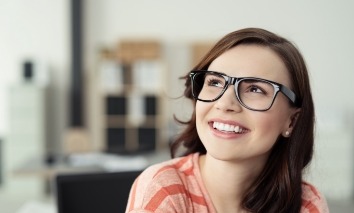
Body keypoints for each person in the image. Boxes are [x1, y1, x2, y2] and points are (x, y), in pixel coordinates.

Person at [126, 28, 329, 213]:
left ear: (292, 121)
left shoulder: (306, 203)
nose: (225, 103)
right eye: (215, 82)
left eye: (255, 89)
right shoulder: (164, 188)